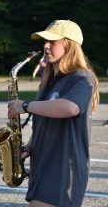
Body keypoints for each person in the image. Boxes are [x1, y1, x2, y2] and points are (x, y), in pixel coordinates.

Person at [8, 20, 99, 207]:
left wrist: (25, 105)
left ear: (69, 45)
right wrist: (29, 147)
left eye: (52, 42)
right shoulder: (49, 81)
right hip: (43, 164)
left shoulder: (82, 77)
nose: (45, 46)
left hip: (64, 169)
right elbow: (45, 120)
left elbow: (70, 108)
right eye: (45, 41)